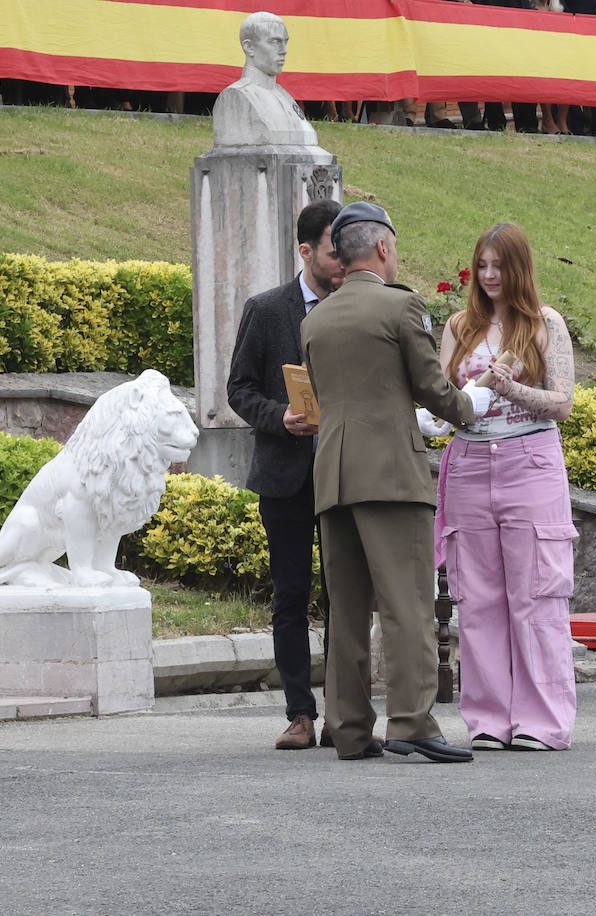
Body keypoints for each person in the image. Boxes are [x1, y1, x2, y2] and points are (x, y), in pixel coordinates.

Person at [300, 202, 491, 763]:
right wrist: (470, 405)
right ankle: (411, 720)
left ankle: (351, 730)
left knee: (347, 609)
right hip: (390, 474)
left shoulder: (315, 319)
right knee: (407, 603)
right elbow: (432, 389)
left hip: (333, 477)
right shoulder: (400, 305)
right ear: (382, 247)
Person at [430, 223, 579, 752]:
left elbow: (563, 403)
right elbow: (444, 395)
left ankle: (542, 722)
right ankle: (488, 720)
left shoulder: (545, 325)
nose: (490, 276)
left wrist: (507, 385)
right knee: (478, 598)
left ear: (519, 269)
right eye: (483, 266)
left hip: (530, 461)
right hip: (469, 461)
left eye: (500, 266)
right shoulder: (458, 325)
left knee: (536, 595)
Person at [227, 199, 344, 750]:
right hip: (286, 477)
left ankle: (346, 712)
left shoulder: (359, 306)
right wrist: (280, 417)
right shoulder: (267, 309)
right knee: (291, 596)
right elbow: (239, 390)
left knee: (346, 595)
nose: (343, 259)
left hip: (348, 473)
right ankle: (300, 713)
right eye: (332, 249)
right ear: (305, 251)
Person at [212, 11, 318, 147]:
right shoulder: (235, 96)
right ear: (249, 47)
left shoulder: (285, 96)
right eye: (275, 42)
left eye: (285, 42)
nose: (284, 50)